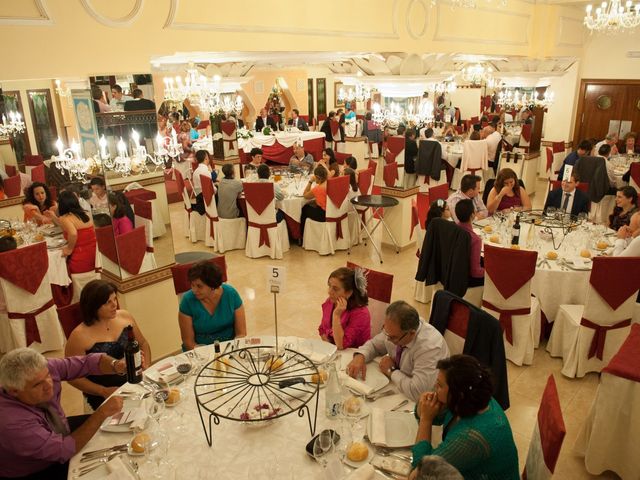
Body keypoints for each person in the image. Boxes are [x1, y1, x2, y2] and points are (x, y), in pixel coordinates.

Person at [0, 347, 125, 479]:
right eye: (37, 385)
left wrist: (116, 365)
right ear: (14, 391)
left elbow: (88, 362)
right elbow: (64, 450)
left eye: (47, 375)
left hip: (58, 429)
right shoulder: (11, 423)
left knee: (113, 426)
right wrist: (101, 413)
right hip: (37, 468)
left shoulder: (41, 369)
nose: (49, 385)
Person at [408, 355, 519, 480]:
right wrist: (424, 409)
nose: (435, 388)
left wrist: (425, 420)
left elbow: (421, 473)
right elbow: (431, 414)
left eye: (439, 385)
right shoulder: (470, 398)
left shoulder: (472, 437)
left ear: (458, 394)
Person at [65, 280, 150, 411]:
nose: (114, 305)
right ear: (93, 306)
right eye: (107, 302)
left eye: (115, 299)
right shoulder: (78, 336)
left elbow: (143, 343)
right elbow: (72, 377)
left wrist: (146, 368)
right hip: (103, 393)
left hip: (135, 382)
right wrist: (102, 391)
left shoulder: (125, 316)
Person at [346, 301, 449, 402]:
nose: (388, 339)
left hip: (425, 401)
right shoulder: (393, 330)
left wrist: (391, 371)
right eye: (385, 331)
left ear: (412, 333)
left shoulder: (429, 347)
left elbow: (418, 392)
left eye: (393, 337)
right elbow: (374, 345)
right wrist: (360, 356)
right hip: (399, 386)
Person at [178, 260, 246, 350]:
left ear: (212, 285)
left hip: (230, 349)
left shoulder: (231, 294)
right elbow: (188, 342)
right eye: (192, 285)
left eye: (199, 286)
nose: (194, 290)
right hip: (200, 352)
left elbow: (241, 334)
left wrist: (231, 351)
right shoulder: (187, 301)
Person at [318, 267, 371, 350]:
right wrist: (329, 348)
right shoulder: (331, 302)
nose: (329, 292)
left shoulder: (361, 314)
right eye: (329, 286)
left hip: (355, 354)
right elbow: (322, 329)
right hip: (333, 350)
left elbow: (341, 344)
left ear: (349, 293)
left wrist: (336, 315)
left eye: (335, 289)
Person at [56, 191, 97, 274]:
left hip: (80, 257)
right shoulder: (86, 213)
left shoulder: (65, 218)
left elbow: (73, 233)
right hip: (95, 255)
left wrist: (69, 249)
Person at [455, 199, 484, 287]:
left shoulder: (453, 229)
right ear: (472, 215)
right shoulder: (475, 240)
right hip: (464, 279)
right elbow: (475, 272)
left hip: (452, 271)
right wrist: (491, 272)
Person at [300, 166, 328, 239]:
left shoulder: (318, 188)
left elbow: (305, 195)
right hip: (331, 212)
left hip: (323, 215)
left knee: (304, 208)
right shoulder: (329, 183)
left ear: (317, 177)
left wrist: (310, 181)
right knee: (310, 204)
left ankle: (302, 235)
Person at [191, 149, 214, 215]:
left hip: (199, 198)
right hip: (206, 202)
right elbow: (212, 190)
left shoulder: (195, 171)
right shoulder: (206, 171)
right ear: (206, 158)